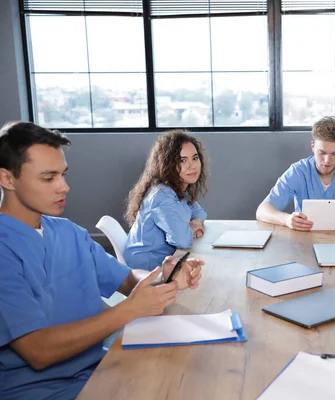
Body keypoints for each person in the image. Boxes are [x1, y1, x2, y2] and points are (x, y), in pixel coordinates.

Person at [0, 121, 203, 399]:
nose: (64, 187)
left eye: (63, 175)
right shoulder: (4, 250)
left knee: (194, 375)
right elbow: (39, 351)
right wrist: (129, 310)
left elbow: (129, 280)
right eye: (49, 178)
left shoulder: (69, 233)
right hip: (42, 391)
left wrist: (163, 275)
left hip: (98, 368)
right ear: (7, 179)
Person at [124, 130, 208, 270]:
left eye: (195, 158)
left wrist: (195, 222)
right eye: (182, 160)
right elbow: (182, 240)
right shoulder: (162, 196)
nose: (191, 165)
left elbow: (199, 211)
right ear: (168, 164)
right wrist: (190, 229)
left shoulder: (177, 188)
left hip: (167, 259)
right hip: (147, 267)